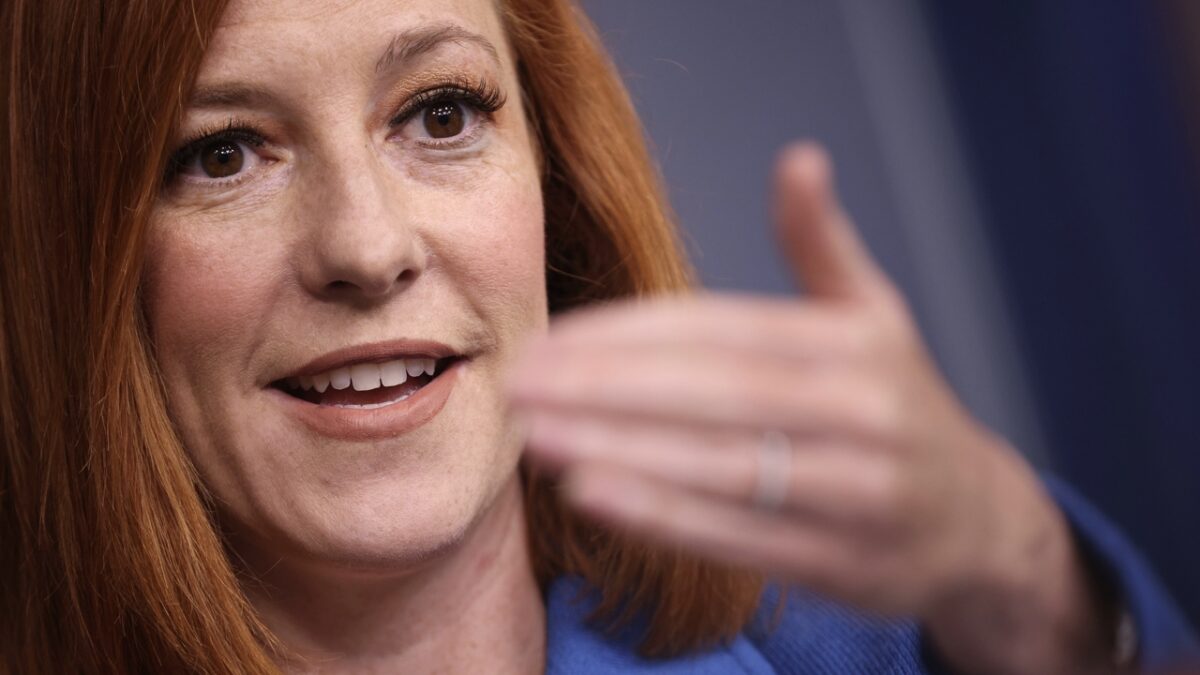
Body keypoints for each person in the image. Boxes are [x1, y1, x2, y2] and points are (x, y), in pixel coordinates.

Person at [0, 0, 1195, 673]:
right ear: (81, 269)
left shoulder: (863, 641)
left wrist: (1023, 573)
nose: (367, 248)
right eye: (222, 154)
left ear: (556, 194)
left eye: (441, 112)